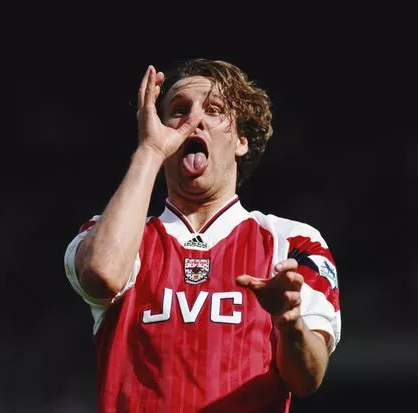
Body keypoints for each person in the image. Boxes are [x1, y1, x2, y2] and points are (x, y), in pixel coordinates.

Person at [63, 58, 341, 412]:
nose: (195, 120)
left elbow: (307, 379)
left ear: (242, 139)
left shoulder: (294, 242)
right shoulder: (113, 233)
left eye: (214, 109)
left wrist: (289, 323)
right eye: (179, 111)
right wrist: (150, 151)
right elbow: (102, 276)